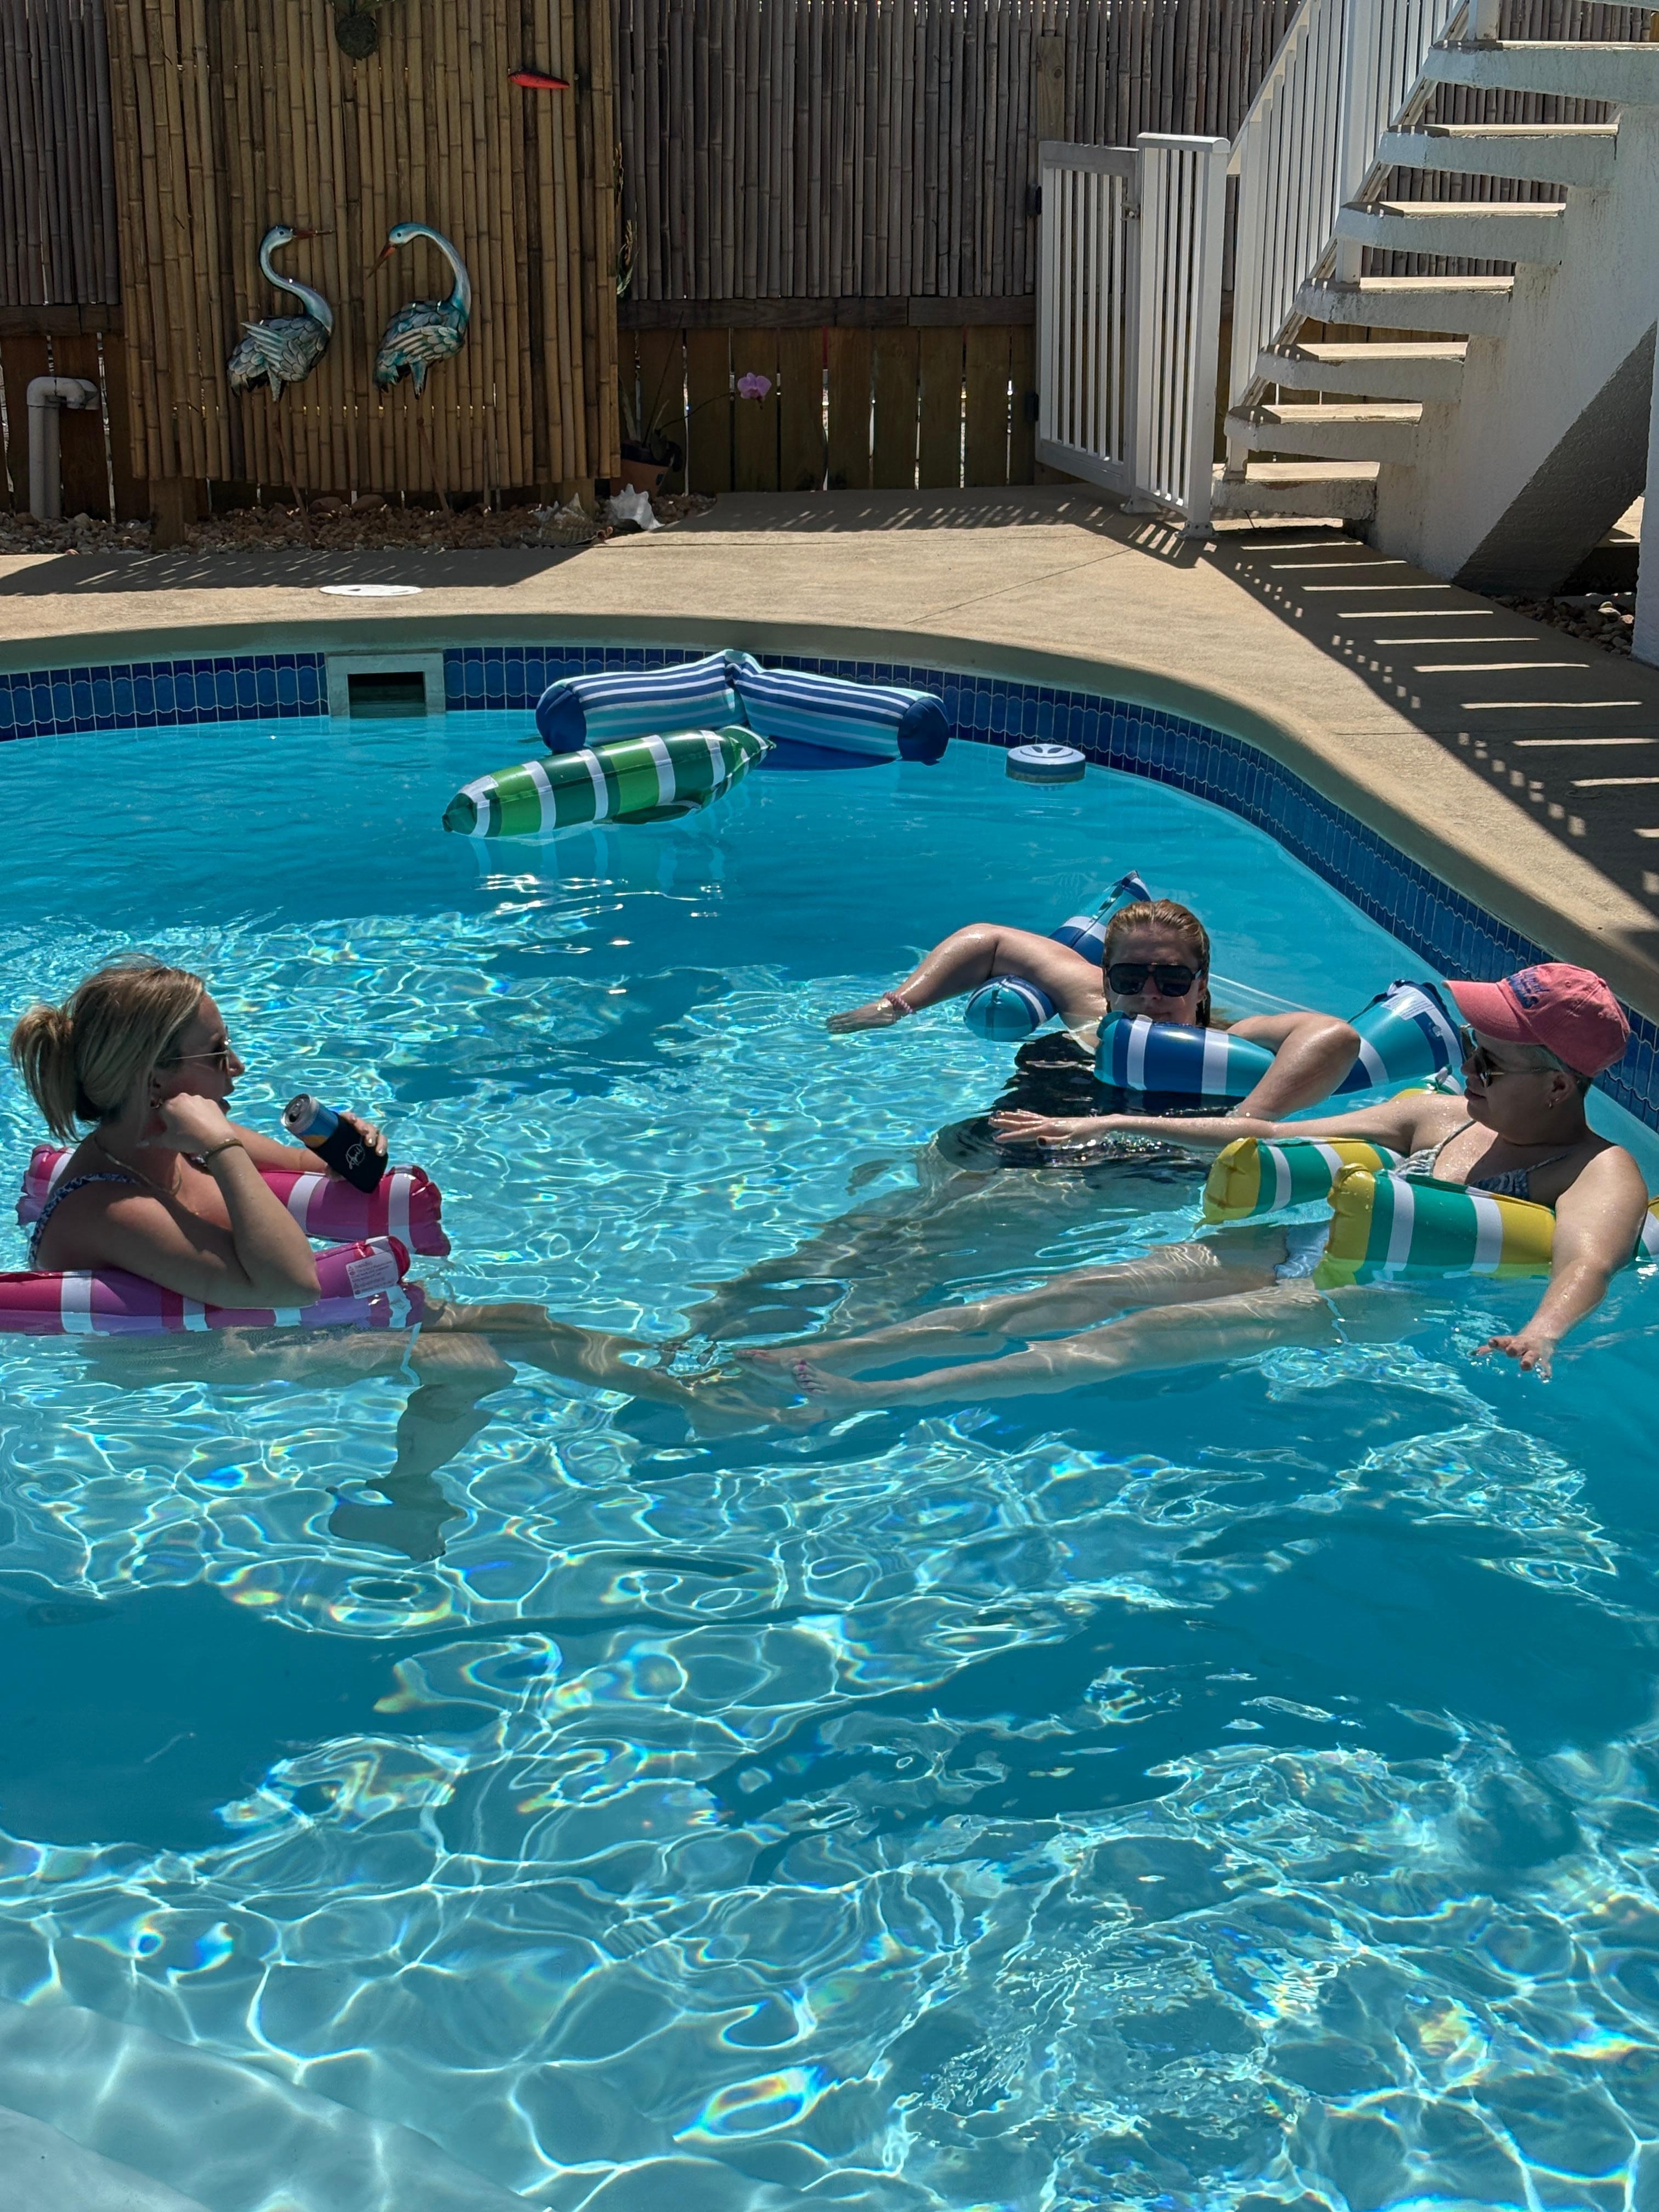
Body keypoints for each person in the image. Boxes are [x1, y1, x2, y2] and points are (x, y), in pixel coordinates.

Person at [747, 964, 1647, 1405]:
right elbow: (1258, 1128)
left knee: (1132, 1337)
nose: (1472, 1065)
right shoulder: (1434, 1115)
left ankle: (870, 1397)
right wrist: (1106, 1121)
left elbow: (1587, 1261)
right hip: (1298, 1245)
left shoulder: (1593, 1169)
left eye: (1491, 1056)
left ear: (1559, 1084)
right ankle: (845, 1353)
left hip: (1369, 1295)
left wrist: (1539, 1331)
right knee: (1068, 1290)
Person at [672, 898, 1363, 1346]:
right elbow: (990, 938)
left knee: (915, 1261)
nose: (1151, 995)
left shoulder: (1239, 1043)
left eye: (1173, 980)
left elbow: (1333, 1038)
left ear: (1203, 982)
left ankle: (786, 1369)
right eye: (1132, 977)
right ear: (1109, 976)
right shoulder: (1089, 1005)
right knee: (851, 1240)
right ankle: (695, 1332)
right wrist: (899, 1006)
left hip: (1091, 1174)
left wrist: (1247, 1122)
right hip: (988, 1148)